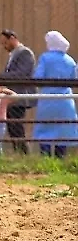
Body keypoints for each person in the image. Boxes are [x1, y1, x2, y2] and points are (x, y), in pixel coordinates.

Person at [31, 30, 78, 158]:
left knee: (45, 129)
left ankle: (45, 159)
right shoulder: (70, 61)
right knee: (63, 131)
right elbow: (74, 79)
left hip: (48, 99)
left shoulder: (45, 58)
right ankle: (60, 159)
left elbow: (38, 78)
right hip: (66, 100)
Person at [0, 29, 36, 154]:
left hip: (20, 95)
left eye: (5, 43)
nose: (4, 46)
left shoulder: (25, 53)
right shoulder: (14, 54)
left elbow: (22, 73)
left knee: (16, 127)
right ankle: (19, 152)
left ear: (12, 38)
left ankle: (23, 153)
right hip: (12, 96)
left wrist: (1, 76)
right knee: (13, 127)